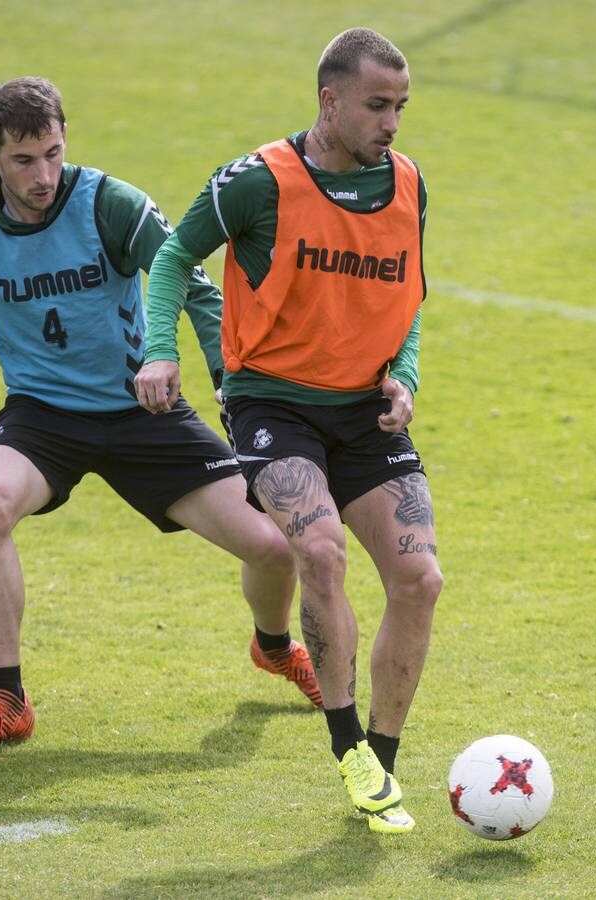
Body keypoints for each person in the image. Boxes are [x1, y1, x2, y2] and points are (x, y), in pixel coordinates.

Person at [0, 76, 321, 757]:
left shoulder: (111, 205)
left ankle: (274, 646)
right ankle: (7, 700)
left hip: (143, 411)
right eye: (23, 160)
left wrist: (233, 392)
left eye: (52, 152)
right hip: (41, 418)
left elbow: (194, 289)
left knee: (274, 547)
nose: (43, 175)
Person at [135, 29, 442, 834]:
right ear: (329, 101)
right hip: (274, 402)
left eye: (401, 107)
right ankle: (348, 751)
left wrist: (403, 374)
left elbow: (409, 297)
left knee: (421, 580)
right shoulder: (257, 182)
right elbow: (172, 259)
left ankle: (383, 758)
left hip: (363, 411)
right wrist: (161, 350)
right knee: (318, 548)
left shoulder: (407, 183)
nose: (392, 124)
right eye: (378, 106)